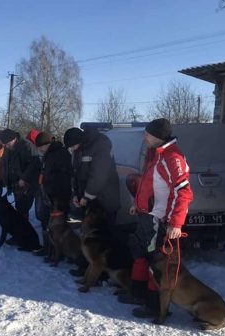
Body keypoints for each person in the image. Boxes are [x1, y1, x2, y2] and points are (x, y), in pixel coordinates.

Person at [118, 118, 193, 319]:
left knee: (155, 262)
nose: (145, 137)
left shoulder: (173, 157)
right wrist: (138, 204)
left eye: (148, 134)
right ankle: (138, 293)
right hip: (146, 215)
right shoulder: (155, 154)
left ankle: (154, 305)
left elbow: (183, 192)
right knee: (140, 253)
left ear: (158, 136)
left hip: (159, 220)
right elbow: (149, 183)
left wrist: (176, 223)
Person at [63, 126, 121, 276]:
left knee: (104, 239)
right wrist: (76, 194)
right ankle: (88, 267)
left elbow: (99, 175)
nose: (72, 149)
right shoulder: (79, 149)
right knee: (88, 235)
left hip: (105, 199)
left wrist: (87, 195)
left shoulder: (100, 145)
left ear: (79, 141)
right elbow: (75, 173)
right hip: (88, 201)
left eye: (73, 146)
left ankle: (104, 272)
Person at [32, 132, 73, 257]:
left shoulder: (61, 154)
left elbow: (63, 177)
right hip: (47, 194)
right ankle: (47, 248)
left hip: (57, 196)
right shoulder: (48, 154)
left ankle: (58, 252)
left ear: (47, 144)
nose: (39, 150)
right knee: (46, 222)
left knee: (58, 227)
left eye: (40, 147)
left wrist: (55, 193)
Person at [0, 128, 41, 219]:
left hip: (27, 184)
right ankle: (20, 224)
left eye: (8, 144)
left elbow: (34, 165)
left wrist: (24, 178)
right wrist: (5, 178)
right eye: (5, 145)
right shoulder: (8, 147)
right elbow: (6, 163)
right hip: (15, 182)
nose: (6, 146)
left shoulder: (27, 146)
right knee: (19, 206)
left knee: (23, 207)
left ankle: (23, 228)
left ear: (14, 139)